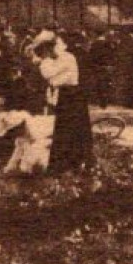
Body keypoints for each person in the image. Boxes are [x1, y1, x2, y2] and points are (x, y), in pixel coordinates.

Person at [29, 30, 93, 172]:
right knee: (65, 130)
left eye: (46, 50)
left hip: (73, 96)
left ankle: (77, 163)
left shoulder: (66, 58)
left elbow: (49, 75)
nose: (45, 54)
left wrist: (44, 60)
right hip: (67, 96)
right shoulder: (58, 60)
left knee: (74, 130)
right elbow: (51, 79)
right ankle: (67, 164)